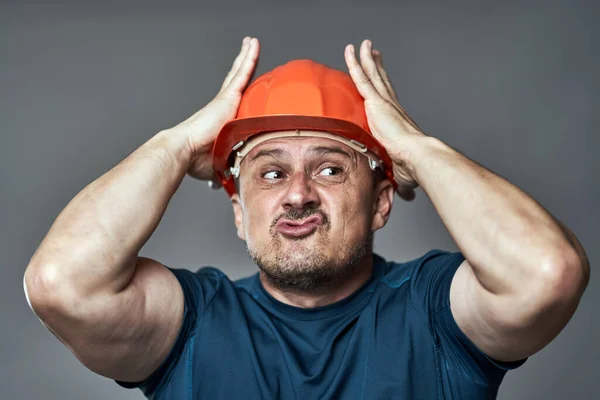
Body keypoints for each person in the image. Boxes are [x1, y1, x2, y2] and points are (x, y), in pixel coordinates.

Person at [23, 36, 590, 399]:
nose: (298, 195)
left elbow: (546, 272)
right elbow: (61, 285)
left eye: (331, 170)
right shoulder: (190, 325)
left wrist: (415, 148)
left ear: (381, 203)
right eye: (270, 173)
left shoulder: (435, 311)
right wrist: (175, 146)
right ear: (239, 213)